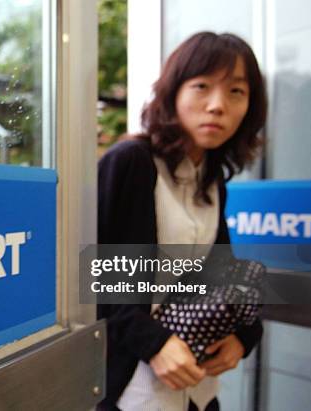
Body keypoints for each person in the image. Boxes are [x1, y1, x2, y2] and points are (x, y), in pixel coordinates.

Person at [97, 32, 267, 411]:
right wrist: (154, 343)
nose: (217, 106)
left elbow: (223, 276)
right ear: (173, 92)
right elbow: (101, 281)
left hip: (196, 385)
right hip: (133, 385)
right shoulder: (132, 163)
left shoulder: (210, 177)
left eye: (236, 92)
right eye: (202, 86)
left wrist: (242, 336)